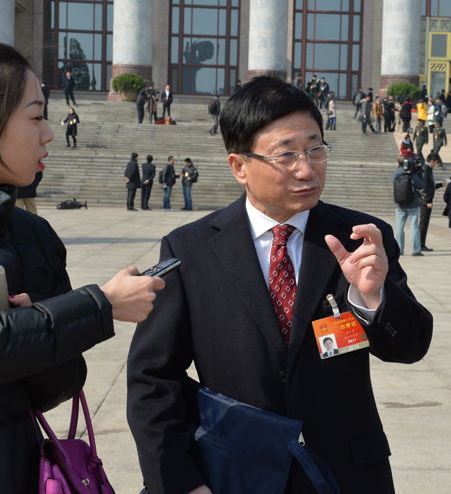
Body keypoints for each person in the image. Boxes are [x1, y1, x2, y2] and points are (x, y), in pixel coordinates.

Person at [127, 76, 433, 494]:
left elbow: (411, 346)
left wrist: (373, 297)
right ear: (239, 166)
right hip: (234, 474)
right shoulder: (190, 250)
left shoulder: (360, 238)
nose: (306, 170)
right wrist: (180, 482)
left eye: (315, 149)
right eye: (286, 155)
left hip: (347, 474)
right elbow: (153, 378)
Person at [0, 40, 163, 494]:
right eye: (35, 117)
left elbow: (60, 385)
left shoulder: (34, 235)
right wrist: (100, 305)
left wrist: (31, 327)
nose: (49, 133)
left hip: (19, 473)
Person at [393, 156, 425, 256]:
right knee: (414, 227)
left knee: (399, 228)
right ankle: (415, 250)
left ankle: (399, 249)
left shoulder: (396, 174)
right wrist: (420, 174)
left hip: (400, 204)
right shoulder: (412, 174)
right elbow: (421, 185)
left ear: (398, 163)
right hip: (413, 204)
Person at [418, 153, 443, 252]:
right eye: (436, 162)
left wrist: (441, 184)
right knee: (423, 223)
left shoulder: (428, 169)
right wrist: (428, 200)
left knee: (425, 223)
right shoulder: (426, 169)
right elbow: (424, 187)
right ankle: (420, 244)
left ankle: (421, 243)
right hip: (425, 201)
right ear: (432, 161)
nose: (436, 164)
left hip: (426, 199)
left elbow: (430, 185)